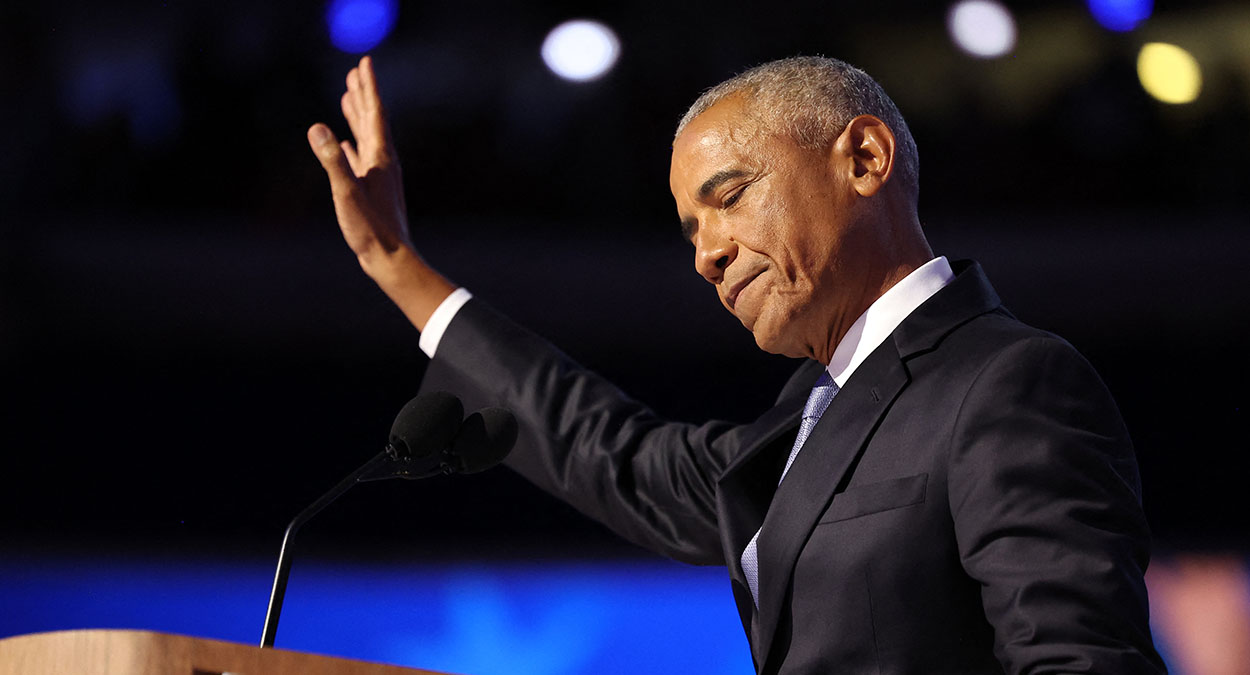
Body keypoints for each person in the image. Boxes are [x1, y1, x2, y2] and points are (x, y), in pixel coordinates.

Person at [307, 55, 1165, 674]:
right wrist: (397, 266)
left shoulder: (1006, 382)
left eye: (728, 197)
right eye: (690, 232)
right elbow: (612, 450)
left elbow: (1081, 661)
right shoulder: (802, 424)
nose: (706, 256)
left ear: (864, 159)